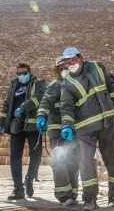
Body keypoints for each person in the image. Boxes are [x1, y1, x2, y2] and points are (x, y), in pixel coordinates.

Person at [59, 47, 114, 209]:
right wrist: (67, 125)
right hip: (85, 129)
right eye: (67, 62)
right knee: (86, 164)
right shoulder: (67, 84)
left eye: (73, 59)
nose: (71, 63)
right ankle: (89, 199)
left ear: (80, 57)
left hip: (107, 124)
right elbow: (66, 108)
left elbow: (111, 85)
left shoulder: (98, 67)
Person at [0, 62, 46, 200]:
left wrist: (24, 107)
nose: (21, 76)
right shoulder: (13, 85)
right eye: (19, 73)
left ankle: (29, 178)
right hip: (16, 126)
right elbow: (6, 105)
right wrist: (1, 122)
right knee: (14, 157)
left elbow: (39, 98)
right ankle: (18, 188)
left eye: (24, 73)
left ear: (29, 72)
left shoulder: (39, 83)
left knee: (36, 155)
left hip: (32, 125)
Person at [36, 56, 79, 206]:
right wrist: (41, 115)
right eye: (61, 69)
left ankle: (72, 193)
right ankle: (63, 194)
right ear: (57, 71)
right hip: (57, 128)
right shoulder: (55, 84)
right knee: (60, 160)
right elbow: (46, 101)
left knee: (73, 161)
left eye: (66, 67)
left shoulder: (76, 84)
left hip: (73, 128)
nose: (64, 71)